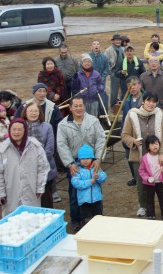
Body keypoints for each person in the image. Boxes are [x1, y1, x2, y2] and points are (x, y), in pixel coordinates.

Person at [121, 93, 163, 219]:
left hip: (157, 156)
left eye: (154, 102)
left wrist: (162, 153)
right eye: (148, 101)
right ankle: (143, 206)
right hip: (139, 155)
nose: (151, 104)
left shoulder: (159, 114)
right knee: (141, 182)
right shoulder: (132, 114)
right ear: (143, 101)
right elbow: (125, 134)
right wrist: (133, 141)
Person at [57, 96, 105, 231]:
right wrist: (70, 163)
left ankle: (97, 218)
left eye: (81, 105)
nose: (78, 108)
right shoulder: (63, 124)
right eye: (75, 106)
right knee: (74, 193)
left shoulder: (93, 121)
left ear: (84, 106)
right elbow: (61, 145)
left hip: (92, 163)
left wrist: (98, 158)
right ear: (70, 108)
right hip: (75, 164)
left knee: (95, 190)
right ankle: (77, 220)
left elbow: (101, 139)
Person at [0, 118, 50, 217]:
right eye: (14, 129)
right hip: (10, 194)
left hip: (31, 193)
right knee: (12, 222)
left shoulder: (36, 147)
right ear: (9, 130)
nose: (16, 132)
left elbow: (43, 168)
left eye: (20, 130)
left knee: (32, 220)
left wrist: (40, 187)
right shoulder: (1, 150)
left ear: (25, 131)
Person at [21, 102, 57, 209]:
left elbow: (50, 148)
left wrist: (38, 163)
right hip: (26, 170)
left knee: (46, 201)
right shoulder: (21, 127)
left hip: (45, 167)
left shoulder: (47, 127)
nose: (33, 113)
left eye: (35, 111)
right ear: (25, 113)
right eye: (30, 111)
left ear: (40, 113)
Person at [71, 144, 107, 225]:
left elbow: (103, 177)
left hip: (97, 200)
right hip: (84, 201)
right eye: (83, 158)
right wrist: (90, 182)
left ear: (92, 158)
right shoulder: (77, 170)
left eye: (88, 158)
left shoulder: (96, 168)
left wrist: (98, 177)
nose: (85, 160)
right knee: (86, 220)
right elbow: (76, 183)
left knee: (98, 219)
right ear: (79, 159)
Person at [138, 134, 163, 220]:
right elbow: (141, 171)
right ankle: (150, 215)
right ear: (148, 147)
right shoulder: (145, 158)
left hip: (160, 182)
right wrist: (147, 179)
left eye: (156, 144)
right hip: (149, 183)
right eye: (152, 144)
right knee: (149, 200)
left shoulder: (162, 157)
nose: (155, 146)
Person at [121, 76, 143, 186]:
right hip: (128, 134)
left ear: (140, 85)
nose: (132, 88)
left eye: (134, 85)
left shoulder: (146, 99)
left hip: (140, 133)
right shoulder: (126, 99)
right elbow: (124, 118)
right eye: (129, 86)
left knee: (142, 159)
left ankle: (143, 178)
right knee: (129, 158)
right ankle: (135, 177)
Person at [72, 53, 105, 118]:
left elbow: (101, 84)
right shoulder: (78, 75)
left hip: (94, 100)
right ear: (82, 63)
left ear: (91, 63)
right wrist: (74, 80)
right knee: (83, 117)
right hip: (83, 101)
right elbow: (75, 88)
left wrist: (99, 89)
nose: (87, 63)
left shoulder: (96, 74)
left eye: (88, 62)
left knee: (93, 117)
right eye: (85, 62)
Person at [105, 34, 124, 111]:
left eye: (119, 40)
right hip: (114, 71)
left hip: (122, 72)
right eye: (116, 40)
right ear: (113, 41)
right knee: (114, 90)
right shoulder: (108, 50)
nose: (118, 41)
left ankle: (122, 105)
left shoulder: (122, 49)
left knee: (123, 89)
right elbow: (105, 62)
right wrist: (110, 72)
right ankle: (113, 106)